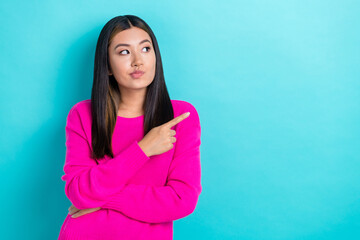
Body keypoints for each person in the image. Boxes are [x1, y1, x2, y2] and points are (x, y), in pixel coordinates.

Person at [57, 15, 202, 240]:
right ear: (107, 67)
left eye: (145, 49)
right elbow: (78, 192)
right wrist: (142, 150)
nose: (137, 61)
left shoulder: (181, 117)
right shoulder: (83, 115)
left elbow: (182, 200)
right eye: (124, 52)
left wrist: (103, 199)